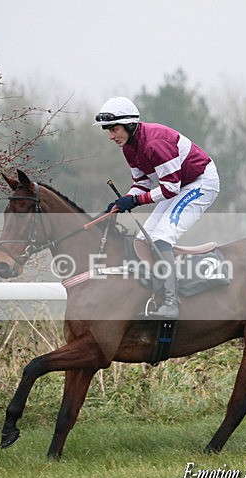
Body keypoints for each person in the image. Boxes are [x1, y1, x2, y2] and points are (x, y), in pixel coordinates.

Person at [94, 96, 220, 319]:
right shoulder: (129, 147)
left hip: (200, 182)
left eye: (114, 129)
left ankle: (172, 303)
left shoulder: (154, 143)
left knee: (162, 237)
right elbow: (142, 183)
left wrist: (134, 201)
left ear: (130, 124)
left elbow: (170, 190)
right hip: (179, 183)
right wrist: (120, 202)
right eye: (108, 131)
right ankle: (158, 292)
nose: (111, 136)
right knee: (143, 240)